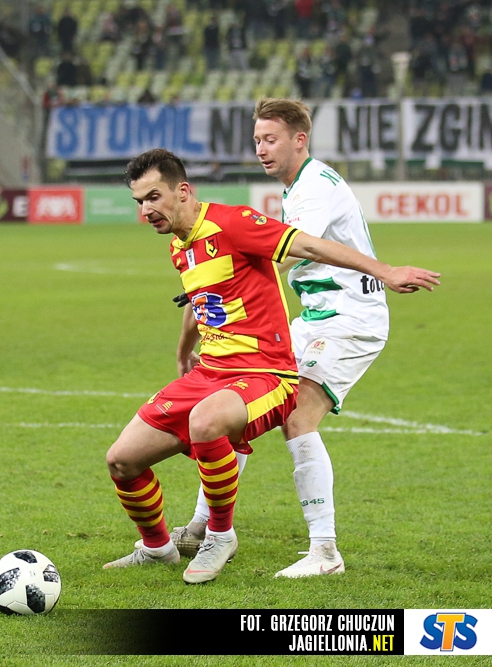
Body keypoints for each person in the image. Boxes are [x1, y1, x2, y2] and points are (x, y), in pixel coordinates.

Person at [104, 148, 438, 584]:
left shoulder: (234, 223)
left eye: (153, 197)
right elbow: (201, 300)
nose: (146, 210)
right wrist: (184, 350)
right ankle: (158, 548)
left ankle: (219, 536)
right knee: (122, 460)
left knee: (206, 422)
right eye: (139, 202)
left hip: (265, 374)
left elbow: (310, 244)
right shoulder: (180, 247)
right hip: (211, 374)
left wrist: (385, 270)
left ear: (182, 191)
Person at [172, 98, 409, 578]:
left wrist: (225, 273)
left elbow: (289, 250)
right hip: (314, 318)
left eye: (271, 139)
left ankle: (325, 552)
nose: (261, 148)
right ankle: (203, 526)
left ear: (300, 140)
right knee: (239, 410)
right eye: (257, 140)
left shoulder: (314, 187)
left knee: (297, 418)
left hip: (349, 318)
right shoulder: (300, 185)